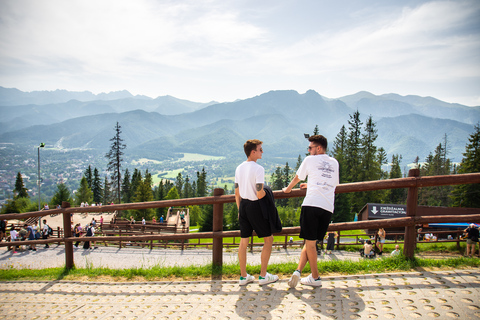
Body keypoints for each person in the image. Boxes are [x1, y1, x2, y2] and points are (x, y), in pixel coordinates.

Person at [283, 135, 339, 288]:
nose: (308, 150)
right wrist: (312, 184)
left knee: (311, 243)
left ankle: (315, 277)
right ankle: (298, 271)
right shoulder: (334, 162)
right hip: (327, 207)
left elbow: (297, 178)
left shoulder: (309, 160)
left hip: (311, 204)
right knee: (310, 242)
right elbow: (332, 184)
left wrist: (287, 190)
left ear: (318, 148)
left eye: (310, 148)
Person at [235, 139, 279, 286]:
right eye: (260, 149)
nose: (262, 152)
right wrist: (268, 194)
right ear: (253, 152)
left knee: (243, 242)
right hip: (255, 206)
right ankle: (263, 276)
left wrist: (239, 209)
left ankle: (243, 277)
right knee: (268, 239)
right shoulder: (258, 169)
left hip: (243, 206)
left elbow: (237, 192)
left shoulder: (239, 168)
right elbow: (260, 193)